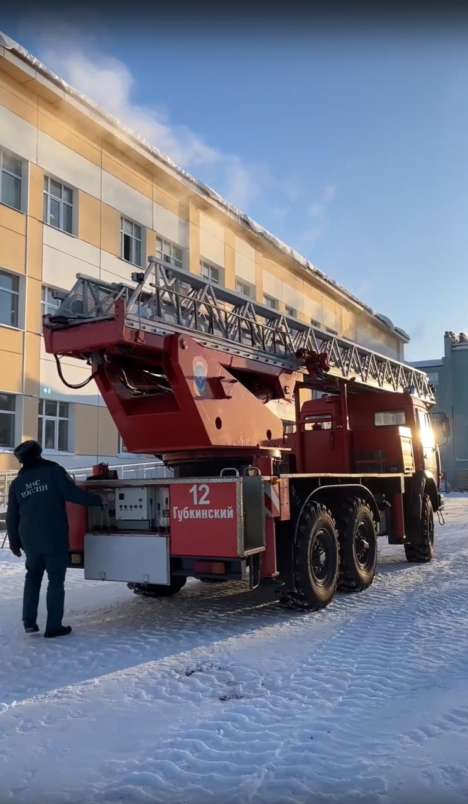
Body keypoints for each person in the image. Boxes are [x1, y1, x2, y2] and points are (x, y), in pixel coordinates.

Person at [6, 440, 104, 638]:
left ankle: (29, 621)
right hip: (53, 535)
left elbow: (12, 515)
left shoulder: (17, 483)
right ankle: (53, 626)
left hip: (29, 538)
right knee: (55, 580)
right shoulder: (53, 471)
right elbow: (71, 493)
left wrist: (14, 543)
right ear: (39, 453)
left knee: (32, 577)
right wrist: (97, 500)